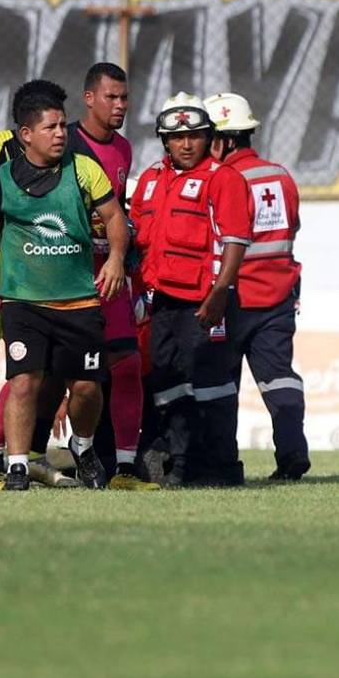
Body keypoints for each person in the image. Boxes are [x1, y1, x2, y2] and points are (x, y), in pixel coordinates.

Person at [0, 84, 127, 491]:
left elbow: (115, 218)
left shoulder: (83, 168)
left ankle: (82, 447)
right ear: (25, 134)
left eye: (63, 126)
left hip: (80, 300)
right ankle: (16, 465)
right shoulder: (1, 182)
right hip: (24, 302)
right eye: (50, 127)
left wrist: (116, 259)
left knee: (86, 387)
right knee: (24, 381)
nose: (61, 134)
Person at [130, 92, 251, 487]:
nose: (186, 144)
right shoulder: (149, 181)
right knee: (169, 384)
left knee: (212, 385)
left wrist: (220, 292)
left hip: (206, 301)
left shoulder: (223, 178)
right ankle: (182, 463)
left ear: (209, 137)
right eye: (177, 138)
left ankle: (221, 466)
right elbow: (138, 242)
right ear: (164, 140)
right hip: (162, 301)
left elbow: (235, 241)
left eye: (195, 136)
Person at [203, 91, 310, 481]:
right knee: (279, 377)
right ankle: (293, 453)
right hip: (279, 296)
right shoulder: (280, 175)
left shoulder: (223, 180)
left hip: (232, 298)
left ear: (225, 139)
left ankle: (223, 463)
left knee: (221, 383)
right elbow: (292, 227)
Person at [65, 62, 157, 490]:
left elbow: (116, 213)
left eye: (124, 98)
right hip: (64, 276)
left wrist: (123, 258)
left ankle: (123, 466)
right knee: (41, 374)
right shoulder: (62, 142)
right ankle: (7, 456)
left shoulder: (122, 148)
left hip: (110, 274)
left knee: (126, 363)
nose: (120, 105)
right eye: (111, 97)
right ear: (88, 98)